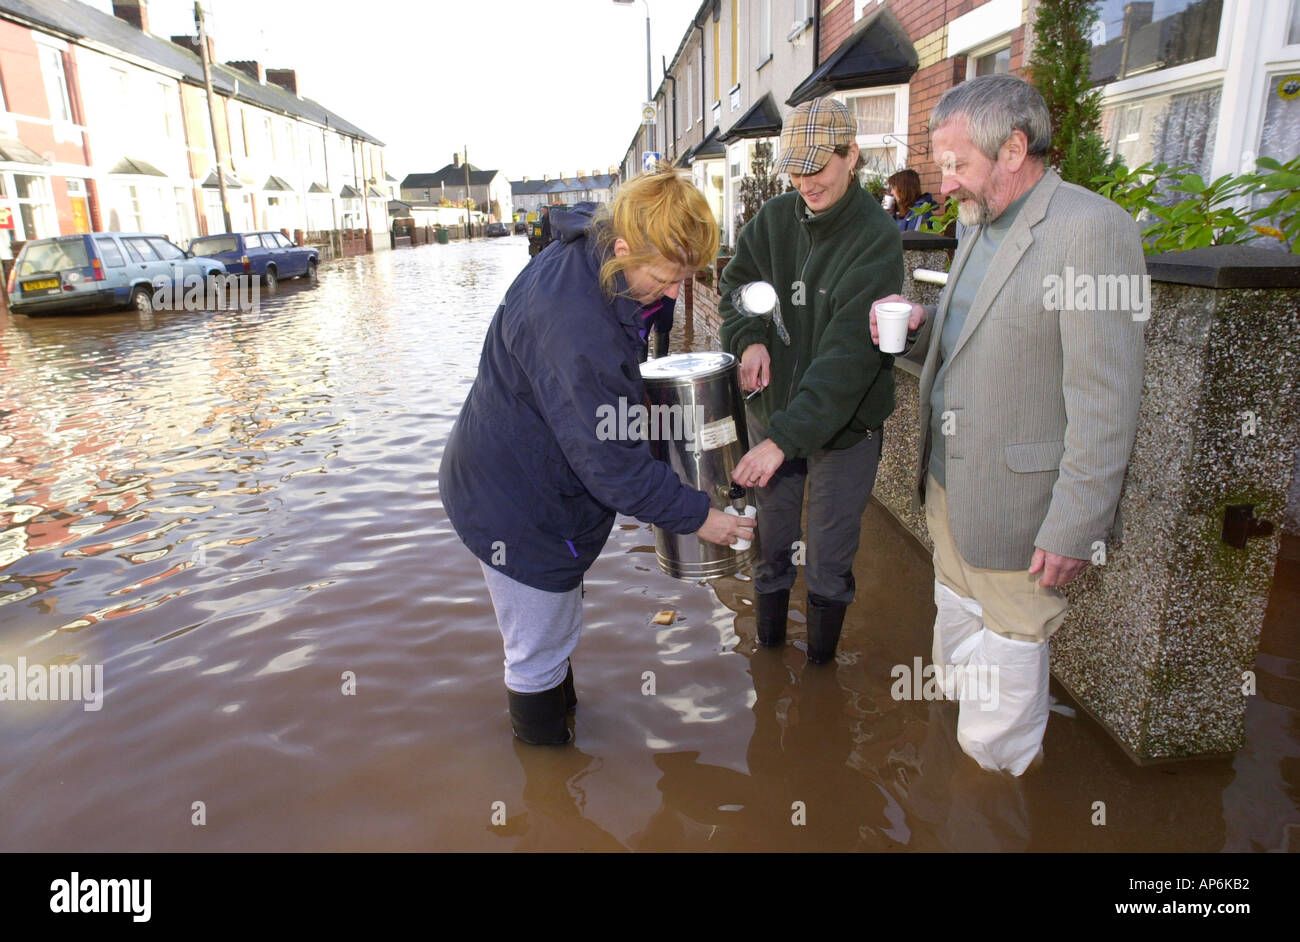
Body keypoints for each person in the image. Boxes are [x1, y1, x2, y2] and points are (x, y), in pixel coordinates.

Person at [870, 74, 1145, 775]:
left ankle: (991, 799)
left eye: (959, 163)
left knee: (1010, 661)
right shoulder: (978, 221)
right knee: (956, 622)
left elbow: (1106, 397)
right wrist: (926, 323)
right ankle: (949, 772)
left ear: (1015, 148)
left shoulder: (1092, 231)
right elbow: (976, 336)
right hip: (951, 488)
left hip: (1026, 510)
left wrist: (1075, 523)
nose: (949, 181)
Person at [440, 166, 754, 746]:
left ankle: (564, 744)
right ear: (625, 245)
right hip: (515, 505)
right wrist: (700, 515)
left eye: (682, 279)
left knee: (553, 633)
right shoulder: (575, 324)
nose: (669, 293)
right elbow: (611, 464)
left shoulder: (596, 258)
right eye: (663, 278)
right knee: (534, 652)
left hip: (522, 477)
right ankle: (549, 780)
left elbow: (607, 416)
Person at [719, 97, 904, 664]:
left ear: (852, 155)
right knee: (771, 544)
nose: (804, 183)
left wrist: (781, 442)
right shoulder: (773, 221)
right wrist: (749, 337)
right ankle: (769, 654)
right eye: (795, 170)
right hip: (773, 411)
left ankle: (821, 674)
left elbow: (848, 360)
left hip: (844, 429)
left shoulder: (876, 240)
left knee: (828, 555)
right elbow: (739, 285)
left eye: (817, 168)